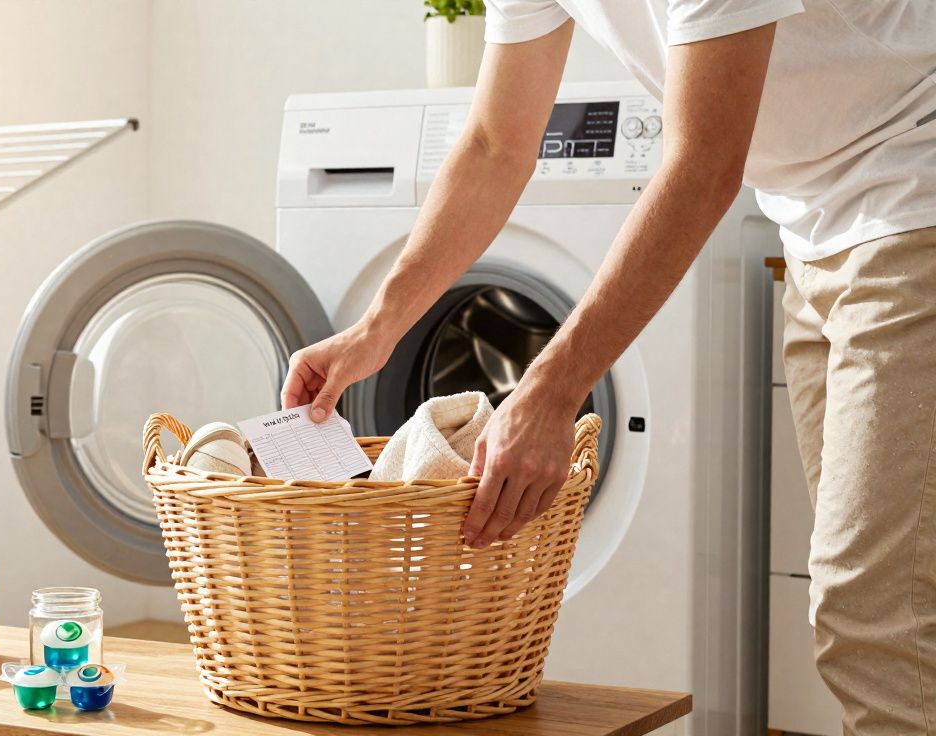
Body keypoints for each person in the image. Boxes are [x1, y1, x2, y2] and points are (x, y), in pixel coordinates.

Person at [280, 1, 936, 732]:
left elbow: (706, 165)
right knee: (899, 597)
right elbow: (498, 143)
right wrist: (376, 329)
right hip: (817, 221)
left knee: (872, 608)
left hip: (914, 191)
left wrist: (552, 391)